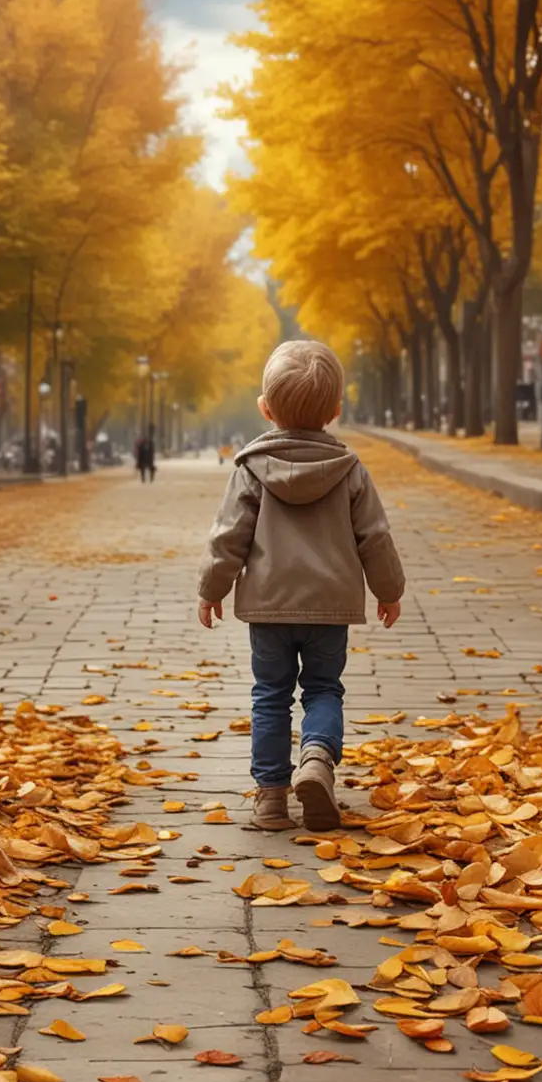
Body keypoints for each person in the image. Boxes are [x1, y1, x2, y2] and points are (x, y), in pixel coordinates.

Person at [197, 339, 405, 833]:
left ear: (266, 410)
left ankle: (271, 798)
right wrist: (388, 590)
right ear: (335, 411)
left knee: (269, 694)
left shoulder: (250, 469)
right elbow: (374, 536)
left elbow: (229, 537)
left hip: (269, 608)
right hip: (329, 608)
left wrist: (212, 588)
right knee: (322, 689)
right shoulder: (350, 470)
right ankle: (316, 759)